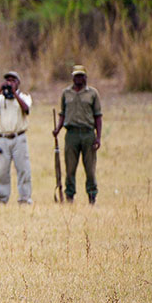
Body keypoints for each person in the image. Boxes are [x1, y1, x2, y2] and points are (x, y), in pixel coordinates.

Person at [52, 65, 102, 204]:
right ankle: (69, 196)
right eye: (76, 76)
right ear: (72, 77)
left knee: (90, 168)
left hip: (87, 133)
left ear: (85, 77)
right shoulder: (66, 93)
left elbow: (98, 116)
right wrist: (58, 129)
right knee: (70, 168)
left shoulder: (92, 94)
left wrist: (98, 137)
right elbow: (63, 113)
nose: (78, 79)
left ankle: (92, 196)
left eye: (81, 76)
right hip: (71, 134)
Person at [0, 71, 34, 205]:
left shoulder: (24, 97)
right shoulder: (1, 99)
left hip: (19, 136)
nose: (10, 83)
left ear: (18, 83)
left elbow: (26, 109)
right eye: (7, 80)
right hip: (2, 138)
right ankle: (2, 197)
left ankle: (25, 198)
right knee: (2, 170)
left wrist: (14, 94)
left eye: (13, 80)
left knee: (23, 169)